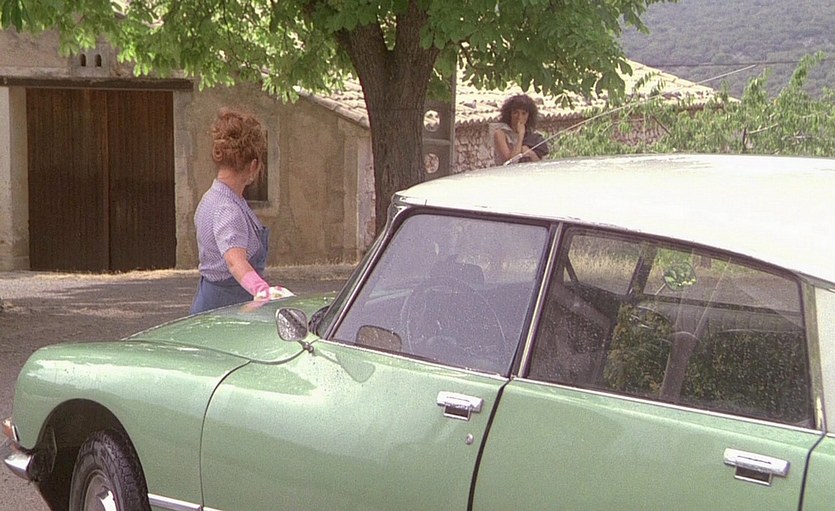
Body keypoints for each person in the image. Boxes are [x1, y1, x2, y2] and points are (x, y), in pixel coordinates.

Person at [190, 108, 293, 314]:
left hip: (211, 303)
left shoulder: (213, 197)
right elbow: (234, 261)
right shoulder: (227, 209)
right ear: (253, 166)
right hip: (224, 310)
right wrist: (261, 289)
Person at [492, 93, 549, 165]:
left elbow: (541, 164)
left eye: (523, 113)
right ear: (510, 114)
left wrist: (530, 153)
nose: (519, 117)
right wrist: (520, 136)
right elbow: (510, 163)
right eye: (516, 113)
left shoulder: (534, 136)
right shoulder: (501, 134)